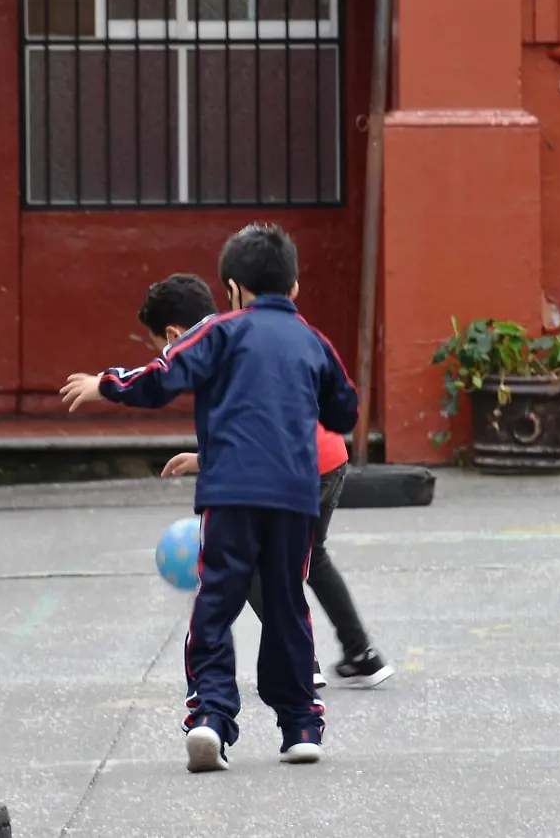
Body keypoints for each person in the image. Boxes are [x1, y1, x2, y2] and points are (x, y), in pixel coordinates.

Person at [61, 224, 359, 773]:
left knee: (217, 601)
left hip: (231, 493)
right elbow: (345, 410)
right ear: (293, 286)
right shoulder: (314, 342)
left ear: (232, 288)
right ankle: (299, 726)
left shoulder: (220, 333)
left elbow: (164, 375)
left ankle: (211, 719)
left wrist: (106, 383)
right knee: (288, 604)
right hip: (296, 496)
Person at [137, 273, 393, 691]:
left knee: (256, 562)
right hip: (328, 456)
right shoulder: (246, 335)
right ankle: (361, 653)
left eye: (161, 348)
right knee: (314, 558)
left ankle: (300, 660)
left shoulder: (207, 354)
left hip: (291, 467)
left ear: (173, 334)